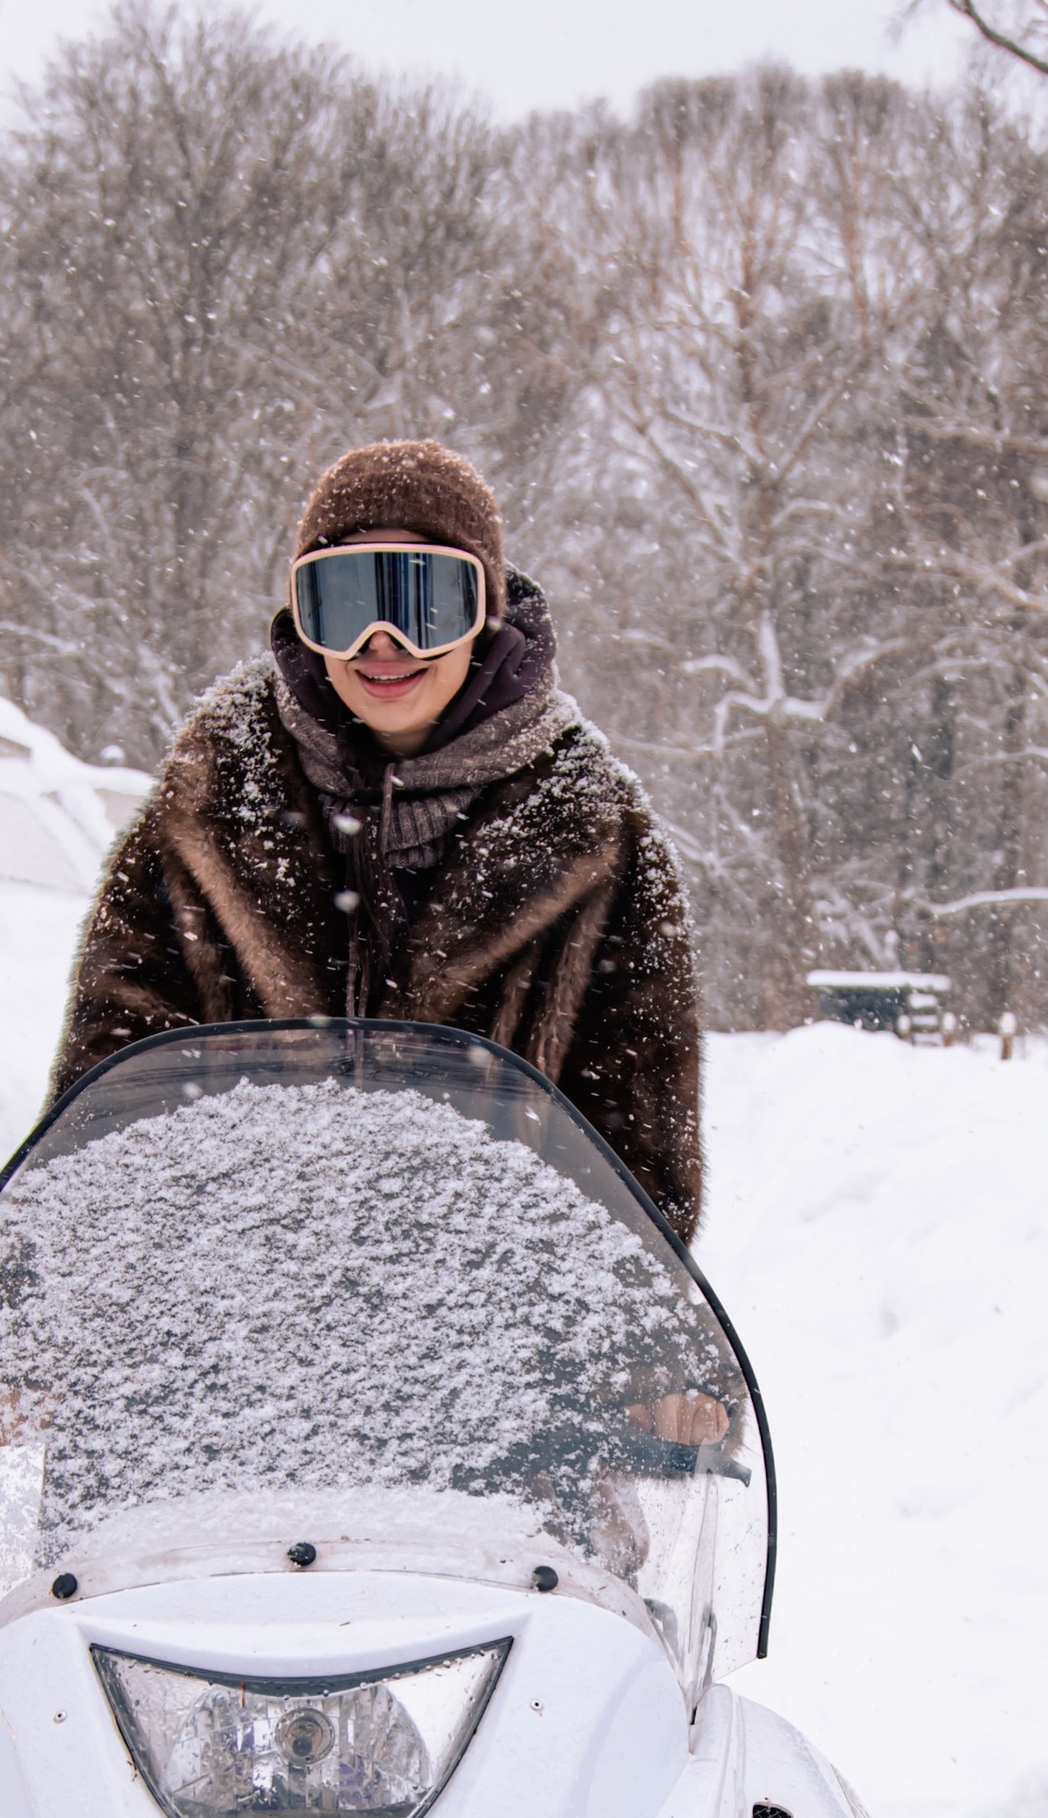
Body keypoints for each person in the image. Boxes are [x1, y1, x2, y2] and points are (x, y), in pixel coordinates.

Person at [46, 437, 706, 1243]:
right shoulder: (208, 805)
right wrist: (27, 1337)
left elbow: (639, 1166)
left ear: (486, 610)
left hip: (489, 1335)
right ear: (303, 616)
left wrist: (638, 1353)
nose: (381, 643)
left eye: (424, 602)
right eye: (345, 601)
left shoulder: (595, 833)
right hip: (232, 1326)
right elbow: (97, 1123)